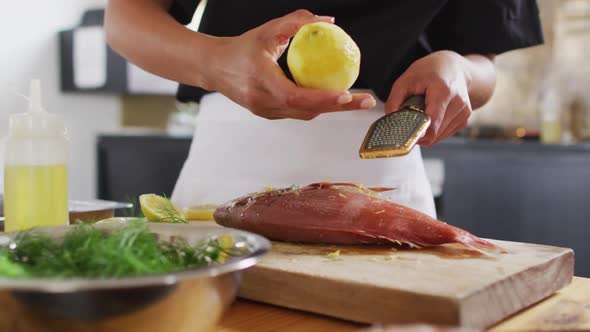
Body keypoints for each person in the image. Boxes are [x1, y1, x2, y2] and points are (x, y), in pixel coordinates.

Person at [105, 1, 543, 218]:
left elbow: (484, 61)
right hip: (226, 172)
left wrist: (458, 70)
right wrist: (216, 63)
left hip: (383, 179)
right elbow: (126, 16)